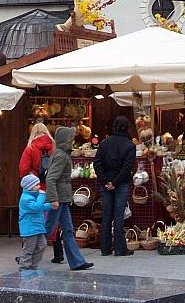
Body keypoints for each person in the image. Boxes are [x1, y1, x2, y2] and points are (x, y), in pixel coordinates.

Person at [44, 126, 93, 271]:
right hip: (58, 200)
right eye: (71, 138)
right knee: (47, 230)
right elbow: (51, 178)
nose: (73, 140)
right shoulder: (61, 156)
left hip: (62, 199)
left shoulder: (61, 154)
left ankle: (77, 262)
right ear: (65, 140)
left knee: (68, 230)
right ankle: (27, 256)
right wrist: (53, 199)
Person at [18, 123, 63, 263]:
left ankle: (25, 255)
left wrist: (33, 179)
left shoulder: (30, 148)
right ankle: (58, 253)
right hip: (51, 186)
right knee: (53, 219)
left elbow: (23, 170)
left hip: (35, 188)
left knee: (31, 217)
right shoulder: (54, 147)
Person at [93, 115, 136, 256]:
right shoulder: (130, 145)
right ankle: (120, 248)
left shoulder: (104, 143)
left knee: (106, 215)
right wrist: (115, 182)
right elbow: (127, 167)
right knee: (118, 216)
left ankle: (105, 248)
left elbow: (97, 163)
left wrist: (105, 181)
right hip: (121, 183)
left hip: (106, 183)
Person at [17, 173, 51, 270]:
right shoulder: (26, 198)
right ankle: (24, 267)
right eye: (36, 185)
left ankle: (33, 265)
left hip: (37, 227)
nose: (39, 187)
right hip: (30, 228)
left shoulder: (33, 197)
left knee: (42, 245)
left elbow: (39, 207)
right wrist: (42, 195)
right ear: (30, 187)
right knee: (29, 249)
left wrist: (50, 206)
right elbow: (36, 208)